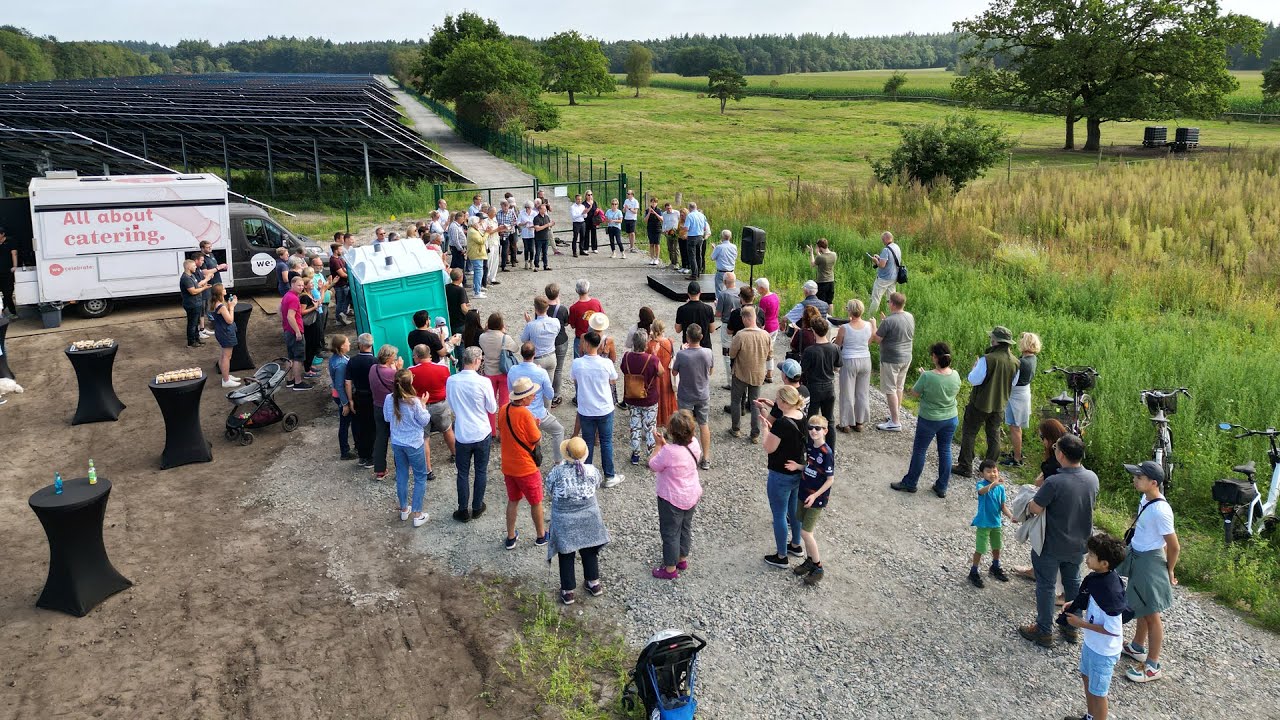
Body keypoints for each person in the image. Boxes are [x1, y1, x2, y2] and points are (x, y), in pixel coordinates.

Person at [1019, 433, 1100, 648]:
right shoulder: (1092, 478)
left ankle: (1044, 630)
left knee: (1045, 586)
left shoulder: (1054, 482)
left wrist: (1026, 505)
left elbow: (1036, 508)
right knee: (1073, 583)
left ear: (1061, 455)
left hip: (1051, 544)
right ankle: (1071, 627)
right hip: (1079, 543)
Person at [1119, 461, 1179, 684]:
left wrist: (1168, 570)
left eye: (1139, 477)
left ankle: (1153, 665)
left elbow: (1173, 546)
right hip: (1139, 555)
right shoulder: (1145, 499)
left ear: (1154, 483)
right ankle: (1137, 646)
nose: (1135, 480)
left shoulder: (1161, 511)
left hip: (1149, 562)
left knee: (1152, 614)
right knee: (1141, 605)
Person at [1061, 533, 1130, 720]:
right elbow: (1091, 598)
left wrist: (1080, 623)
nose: (1087, 558)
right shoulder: (1099, 579)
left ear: (1105, 563)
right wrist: (1074, 602)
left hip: (1104, 651)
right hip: (1092, 644)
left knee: (1099, 693)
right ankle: (1090, 717)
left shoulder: (1111, 591)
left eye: (1091, 555)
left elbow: (1113, 630)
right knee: (1086, 677)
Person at [890, 342, 962, 496]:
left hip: (930, 418)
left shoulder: (927, 376)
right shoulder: (955, 374)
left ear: (935, 357)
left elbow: (914, 393)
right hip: (950, 417)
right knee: (945, 450)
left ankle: (910, 482)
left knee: (920, 450)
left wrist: (923, 376)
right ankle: (942, 486)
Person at [544, 437, 609, 605]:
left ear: (566, 454)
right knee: (589, 548)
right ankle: (593, 583)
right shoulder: (591, 470)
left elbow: (549, 488)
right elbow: (596, 485)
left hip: (564, 520)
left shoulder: (557, 472)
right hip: (589, 516)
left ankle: (568, 591)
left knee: (566, 552)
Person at [953, 326, 1020, 478]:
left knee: (970, 432)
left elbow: (973, 379)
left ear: (995, 341)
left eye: (992, 338)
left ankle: (965, 466)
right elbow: (1014, 383)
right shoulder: (1016, 362)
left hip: (980, 403)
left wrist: (974, 367)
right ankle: (989, 468)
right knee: (994, 435)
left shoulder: (987, 359)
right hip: (999, 405)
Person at [649, 410, 704, 580]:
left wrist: (658, 445)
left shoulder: (669, 452)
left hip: (671, 498)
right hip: (691, 494)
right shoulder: (694, 443)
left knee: (670, 532)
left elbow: (653, 465)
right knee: (685, 527)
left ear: (671, 432)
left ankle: (670, 569)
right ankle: (682, 558)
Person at [447, 347, 497, 522]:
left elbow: (451, 406)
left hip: (462, 433)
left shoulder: (451, 381)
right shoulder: (483, 382)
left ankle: (462, 509)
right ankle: (477, 506)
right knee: (480, 471)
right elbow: (492, 408)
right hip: (481, 431)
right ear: (477, 361)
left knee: (462, 473)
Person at [761, 384, 807, 569]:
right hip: (796, 472)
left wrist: (765, 428)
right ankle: (796, 545)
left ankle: (781, 556)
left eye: (778, 400)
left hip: (780, 474)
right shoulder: (803, 416)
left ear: (785, 401)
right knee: (793, 510)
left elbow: (768, 447)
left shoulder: (780, 424)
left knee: (779, 514)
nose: (776, 402)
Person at [571, 328, 625, 488]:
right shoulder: (606, 363)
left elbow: (574, 380)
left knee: (587, 441)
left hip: (586, 408)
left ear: (586, 344)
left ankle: (586, 476)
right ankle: (609, 475)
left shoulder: (577, 363)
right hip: (604, 407)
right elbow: (614, 378)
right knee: (606, 441)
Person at [499, 377, 546, 549]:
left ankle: (510, 536)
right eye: (532, 394)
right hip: (526, 466)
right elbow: (536, 438)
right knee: (536, 502)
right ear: (524, 397)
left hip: (508, 465)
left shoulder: (503, 409)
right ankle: (541, 535)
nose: (534, 396)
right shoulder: (526, 413)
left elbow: (504, 430)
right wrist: (535, 425)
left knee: (513, 500)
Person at [385, 369, 432, 528]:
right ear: (409, 383)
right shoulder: (415, 402)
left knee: (402, 474)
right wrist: (424, 405)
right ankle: (418, 513)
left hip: (397, 442)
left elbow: (386, 417)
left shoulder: (388, 399)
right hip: (414, 443)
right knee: (420, 476)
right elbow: (424, 421)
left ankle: (404, 508)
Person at [791, 414, 834, 585]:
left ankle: (818, 567)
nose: (813, 431)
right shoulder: (811, 447)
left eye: (818, 428)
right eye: (810, 427)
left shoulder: (827, 453)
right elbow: (810, 467)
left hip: (816, 498)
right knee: (802, 526)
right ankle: (809, 560)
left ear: (825, 430)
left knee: (805, 532)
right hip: (804, 492)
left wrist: (815, 495)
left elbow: (830, 479)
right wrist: (798, 466)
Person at [508, 342, 565, 463]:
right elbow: (550, 395)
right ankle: (558, 462)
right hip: (538, 414)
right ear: (535, 354)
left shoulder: (513, 370)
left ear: (521, 354)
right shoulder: (541, 372)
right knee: (558, 431)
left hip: (519, 413)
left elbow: (510, 391)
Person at [671, 323, 714, 471]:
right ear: (701, 337)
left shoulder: (682, 355)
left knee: (685, 426)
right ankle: (706, 458)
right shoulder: (708, 352)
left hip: (686, 394)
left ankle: (688, 455)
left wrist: (681, 351)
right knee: (704, 423)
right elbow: (711, 371)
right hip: (702, 394)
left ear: (687, 337)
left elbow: (674, 373)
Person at [968, 460, 1015, 587]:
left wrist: (1011, 516)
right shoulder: (981, 485)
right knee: (980, 548)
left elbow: (1003, 506)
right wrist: (993, 484)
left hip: (996, 523)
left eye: (994, 471)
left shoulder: (1000, 488)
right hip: (983, 523)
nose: (992, 474)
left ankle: (995, 565)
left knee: (997, 546)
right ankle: (973, 571)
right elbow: (982, 492)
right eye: (988, 472)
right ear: (981, 474)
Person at [871, 292, 913, 431]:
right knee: (899, 387)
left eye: (889, 301)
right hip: (906, 356)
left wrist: (874, 325)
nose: (888, 303)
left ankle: (895, 421)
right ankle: (896, 415)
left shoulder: (889, 321)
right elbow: (896, 331)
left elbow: (877, 339)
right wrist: (884, 323)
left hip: (891, 359)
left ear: (893, 304)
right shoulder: (909, 316)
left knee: (890, 389)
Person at [728, 306, 771, 443]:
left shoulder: (740, 335)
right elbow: (770, 355)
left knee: (736, 401)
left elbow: (732, 354)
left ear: (746, 318)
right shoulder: (766, 335)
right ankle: (755, 434)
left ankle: (736, 429)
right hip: (758, 374)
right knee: (755, 404)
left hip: (740, 373)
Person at [408, 343, 456, 464]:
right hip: (440, 405)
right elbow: (448, 386)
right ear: (429, 354)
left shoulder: (410, 371)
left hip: (420, 406)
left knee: (424, 438)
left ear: (417, 356)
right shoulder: (443, 368)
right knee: (447, 430)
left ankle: (428, 468)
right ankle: (455, 454)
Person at [800, 317, 841, 451]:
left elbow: (802, 369)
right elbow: (837, 366)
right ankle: (830, 450)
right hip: (829, 386)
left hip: (814, 387)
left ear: (813, 331)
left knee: (811, 420)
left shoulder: (810, 351)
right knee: (829, 420)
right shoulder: (834, 348)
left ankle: (810, 448)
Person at [621, 329, 661, 465]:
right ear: (646, 344)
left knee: (635, 426)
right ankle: (651, 456)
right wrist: (654, 355)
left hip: (632, 397)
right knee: (650, 427)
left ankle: (635, 455)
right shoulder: (652, 360)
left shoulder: (626, 357)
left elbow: (623, 369)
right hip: (649, 399)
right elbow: (660, 373)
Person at [1003, 332, 1043, 467]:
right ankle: (1017, 452)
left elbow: (1012, 381)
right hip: (1024, 393)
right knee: (1016, 426)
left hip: (1017, 395)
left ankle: (1017, 458)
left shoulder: (1023, 362)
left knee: (1015, 427)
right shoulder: (1032, 358)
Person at [834, 299, 875, 432]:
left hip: (849, 360)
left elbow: (838, 345)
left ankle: (845, 423)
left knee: (847, 392)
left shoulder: (844, 328)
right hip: (865, 359)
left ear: (850, 311)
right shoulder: (869, 325)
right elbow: (869, 341)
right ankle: (860, 421)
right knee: (862, 392)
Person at [478, 312, 519, 435]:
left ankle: (492, 431)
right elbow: (516, 348)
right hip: (503, 372)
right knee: (504, 402)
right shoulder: (505, 338)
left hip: (489, 372)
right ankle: (503, 430)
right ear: (501, 324)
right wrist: (504, 333)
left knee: (490, 403)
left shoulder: (482, 337)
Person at [369, 344, 402, 481]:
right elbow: (402, 387)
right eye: (393, 356)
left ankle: (380, 470)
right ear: (389, 358)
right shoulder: (392, 373)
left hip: (377, 406)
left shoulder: (373, 368)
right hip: (391, 408)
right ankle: (400, 469)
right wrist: (399, 369)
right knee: (396, 438)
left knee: (381, 438)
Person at [348, 334, 377, 467]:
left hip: (358, 396)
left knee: (359, 426)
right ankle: (371, 456)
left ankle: (362, 455)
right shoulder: (375, 362)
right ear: (371, 345)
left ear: (360, 344)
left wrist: (350, 400)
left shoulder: (352, 361)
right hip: (371, 397)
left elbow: (348, 383)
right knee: (371, 426)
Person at [280, 276, 311, 390]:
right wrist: (297, 331)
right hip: (294, 331)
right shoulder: (293, 298)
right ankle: (298, 382)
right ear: (292, 284)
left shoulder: (286, 296)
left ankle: (290, 380)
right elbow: (290, 316)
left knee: (291, 357)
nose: (301, 287)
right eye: (299, 285)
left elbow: (280, 310)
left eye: (302, 285)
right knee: (298, 358)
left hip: (288, 330)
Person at [647, 320, 678, 428]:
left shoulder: (650, 345)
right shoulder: (668, 342)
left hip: (655, 377)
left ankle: (655, 423)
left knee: (656, 400)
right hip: (667, 375)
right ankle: (668, 423)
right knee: (668, 398)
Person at [545, 283, 572, 405]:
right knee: (558, 369)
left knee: (548, 368)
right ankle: (555, 395)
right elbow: (566, 324)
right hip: (560, 341)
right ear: (558, 294)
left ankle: (546, 392)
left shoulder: (542, 307)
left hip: (548, 341)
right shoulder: (562, 309)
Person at [328, 334, 354, 460]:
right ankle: (345, 451)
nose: (349, 343)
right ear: (342, 346)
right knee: (344, 424)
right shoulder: (341, 364)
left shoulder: (335, 359)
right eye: (347, 342)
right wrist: (345, 403)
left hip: (337, 395)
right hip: (341, 396)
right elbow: (340, 385)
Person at [209, 285, 240, 388]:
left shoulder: (216, 304)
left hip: (220, 332)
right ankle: (226, 380)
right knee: (227, 357)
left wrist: (231, 303)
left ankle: (225, 376)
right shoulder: (221, 306)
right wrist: (232, 307)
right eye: (223, 289)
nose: (225, 290)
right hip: (225, 332)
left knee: (223, 355)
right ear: (220, 293)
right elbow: (230, 320)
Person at [869, 231, 902, 315]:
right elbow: (890, 262)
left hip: (884, 278)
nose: (882, 241)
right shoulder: (897, 247)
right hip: (894, 277)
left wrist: (876, 260)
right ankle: (893, 315)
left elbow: (882, 265)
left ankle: (870, 316)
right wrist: (880, 258)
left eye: (882, 239)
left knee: (876, 298)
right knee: (891, 299)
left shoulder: (886, 250)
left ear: (885, 239)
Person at [674, 281, 715, 351]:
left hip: (688, 346)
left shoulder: (682, 309)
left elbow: (678, 330)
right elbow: (712, 329)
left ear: (688, 294)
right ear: (700, 293)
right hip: (705, 347)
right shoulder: (708, 309)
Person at [179, 259, 211, 348]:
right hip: (192, 304)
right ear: (189, 267)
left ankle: (197, 339)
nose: (196, 267)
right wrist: (204, 288)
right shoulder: (186, 278)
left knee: (195, 323)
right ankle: (191, 342)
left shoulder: (191, 276)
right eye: (194, 266)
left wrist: (203, 285)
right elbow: (192, 291)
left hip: (196, 303)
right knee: (192, 324)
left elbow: (196, 286)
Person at [714, 272, 740, 382]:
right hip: (739, 325)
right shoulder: (740, 292)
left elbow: (718, 314)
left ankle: (730, 381)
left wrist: (716, 305)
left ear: (725, 282)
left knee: (727, 353)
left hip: (726, 325)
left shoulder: (723, 295)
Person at [568, 279, 602, 358]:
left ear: (576, 290)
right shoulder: (596, 303)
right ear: (588, 290)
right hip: (595, 338)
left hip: (580, 339)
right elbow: (602, 318)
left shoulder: (573, 308)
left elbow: (572, 325)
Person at [755, 278, 780, 383]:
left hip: (767, 327)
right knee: (770, 350)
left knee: (762, 351)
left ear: (762, 288)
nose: (757, 289)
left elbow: (761, 316)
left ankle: (761, 373)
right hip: (775, 325)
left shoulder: (764, 300)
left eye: (757, 287)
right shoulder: (775, 296)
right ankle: (770, 373)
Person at [683, 202, 710, 280]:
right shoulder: (702, 215)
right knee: (699, 255)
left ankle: (694, 274)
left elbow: (687, 228)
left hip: (692, 237)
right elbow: (705, 228)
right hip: (700, 236)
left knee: (692, 256)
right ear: (696, 207)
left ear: (689, 208)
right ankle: (699, 272)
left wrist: (683, 228)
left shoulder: (690, 216)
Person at [808, 238, 838, 306]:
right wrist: (818, 253)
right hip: (831, 281)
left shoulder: (820, 258)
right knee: (830, 302)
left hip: (822, 282)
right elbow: (824, 259)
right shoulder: (834, 254)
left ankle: (822, 316)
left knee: (821, 302)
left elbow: (812, 264)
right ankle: (830, 316)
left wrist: (811, 252)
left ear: (820, 248)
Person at [328, 243, 351, 324]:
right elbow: (342, 274)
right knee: (341, 302)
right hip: (340, 285)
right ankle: (339, 319)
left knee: (345, 300)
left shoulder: (339, 259)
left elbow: (344, 269)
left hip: (343, 284)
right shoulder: (334, 261)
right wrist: (351, 277)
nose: (342, 251)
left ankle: (342, 317)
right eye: (340, 249)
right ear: (336, 250)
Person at [711, 230, 738, 296]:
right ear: (730, 237)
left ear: (722, 237)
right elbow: (735, 257)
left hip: (721, 272)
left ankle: (719, 304)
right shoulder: (734, 247)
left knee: (719, 291)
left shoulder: (719, 247)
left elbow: (712, 258)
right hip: (731, 272)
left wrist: (714, 248)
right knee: (731, 290)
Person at [466, 216, 487, 298]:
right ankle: (477, 292)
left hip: (477, 253)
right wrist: (487, 233)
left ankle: (477, 290)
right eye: (478, 222)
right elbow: (481, 241)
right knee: (478, 272)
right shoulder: (472, 231)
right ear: (473, 223)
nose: (479, 224)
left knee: (479, 272)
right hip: (476, 254)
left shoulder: (474, 230)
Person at [445, 268, 470, 338]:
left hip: (449, 320)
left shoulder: (445, 288)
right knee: (460, 345)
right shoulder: (460, 290)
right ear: (460, 277)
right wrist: (471, 315)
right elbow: (463, 308)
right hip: (459, 322)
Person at [0, 225, 17, 318]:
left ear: (3, 234)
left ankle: (12, 312)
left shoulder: (10, 241)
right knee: (5, 293)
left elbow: (14, 253)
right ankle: (6, 310)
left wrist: (14, 266)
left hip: (7, 270)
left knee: (8, 292)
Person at [532, 202, 554, 271]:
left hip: (545, 237)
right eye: (544, 209)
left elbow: (549, 226)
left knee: (545, 252)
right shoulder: (536, 218)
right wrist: (547, 225)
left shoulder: (547, 217)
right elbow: (537, 228)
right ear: (540, 210)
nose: (545, 210)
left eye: (545, 209)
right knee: (538, 252)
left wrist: (551, 225)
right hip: (539, 238)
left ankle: (545, 265)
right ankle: (536, 266)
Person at [661, 202, 682, 270]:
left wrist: (679, 230)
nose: (669, 209)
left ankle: (677, 263)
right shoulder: (664, 214)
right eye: (667, 208)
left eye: (670, 208)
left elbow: (680, 221)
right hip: (668, 232)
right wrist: (664, 230)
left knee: (676, 248)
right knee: (670, 248)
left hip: (675, 232)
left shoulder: (676, 213)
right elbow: (664, 223)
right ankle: (672, 262)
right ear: (665, 208)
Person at [644, 196, 664, 266]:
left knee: (657, 244)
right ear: (651, 203)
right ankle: (652, 258)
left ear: (657, 203)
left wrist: (655, 213)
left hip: (657, 228)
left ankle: (657, 258)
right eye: (652, 202)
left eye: (655, 202)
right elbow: (645, 220)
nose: (654, 203)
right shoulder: (647, 210)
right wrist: (649, 212)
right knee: (651, 244)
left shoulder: (659, 210)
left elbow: (662, 219)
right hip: (650, 228)